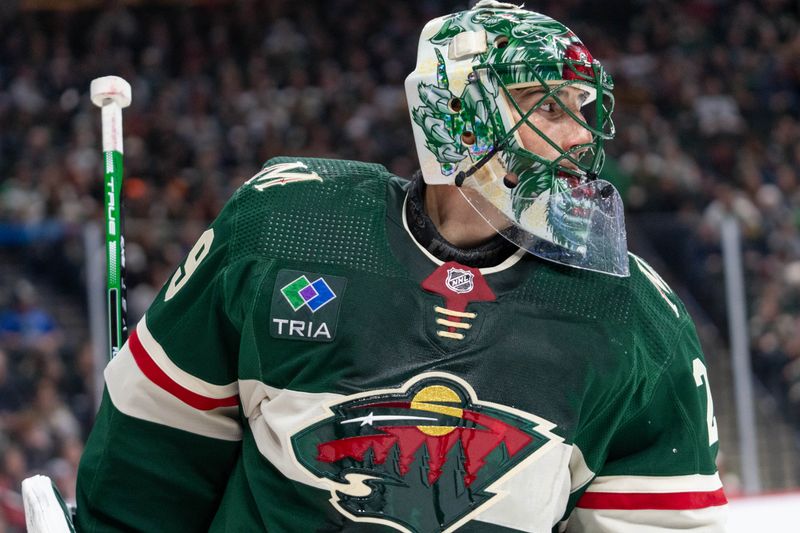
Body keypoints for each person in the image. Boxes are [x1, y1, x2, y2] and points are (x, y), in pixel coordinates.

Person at [71, 2, 728, 531]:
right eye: (548, 107)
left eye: (581, 112)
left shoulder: (633, 314)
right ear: (459, 115)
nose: (581, 136)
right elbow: (155, 451)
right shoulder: (288, 225)